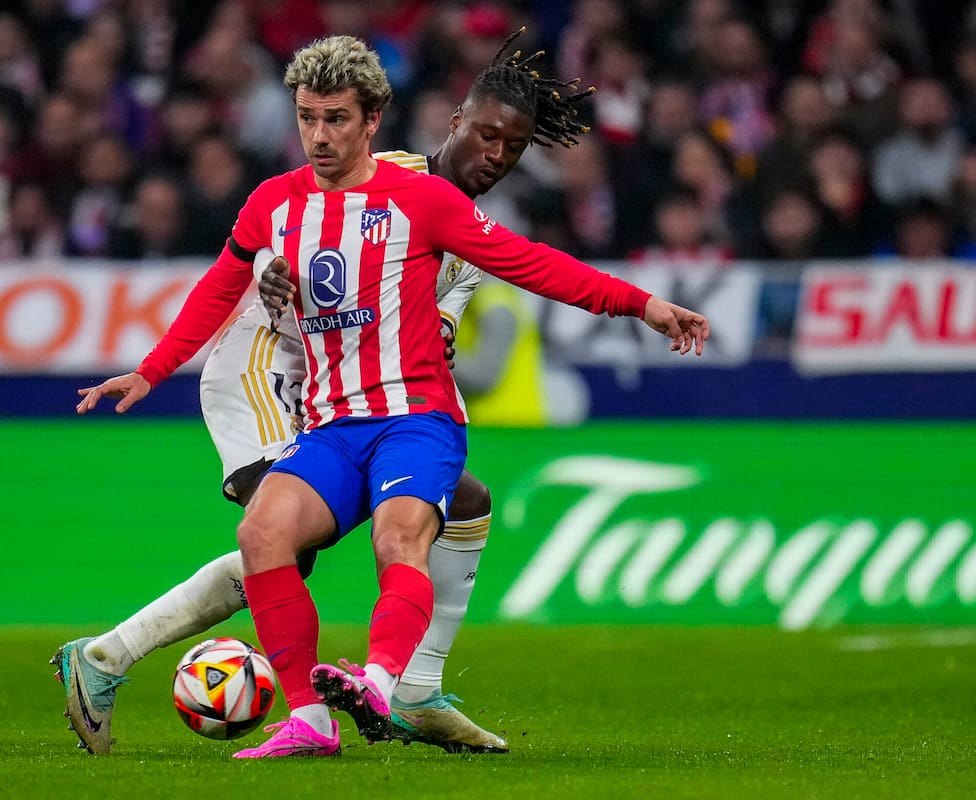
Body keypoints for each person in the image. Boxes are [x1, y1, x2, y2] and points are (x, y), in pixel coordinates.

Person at [69, 35, 708, 760]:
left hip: (365, 395)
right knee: (285, 541)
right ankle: (111, 657)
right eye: (486, 134)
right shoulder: (380, 176)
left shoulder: (458, 235)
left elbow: (499, 285)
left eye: (515, 146)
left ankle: (409, 687)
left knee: (459, 501)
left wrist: (636, 304)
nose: (497, 154)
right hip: (267, 364)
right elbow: (272, 252)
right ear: (455, 119)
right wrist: (246, 296)